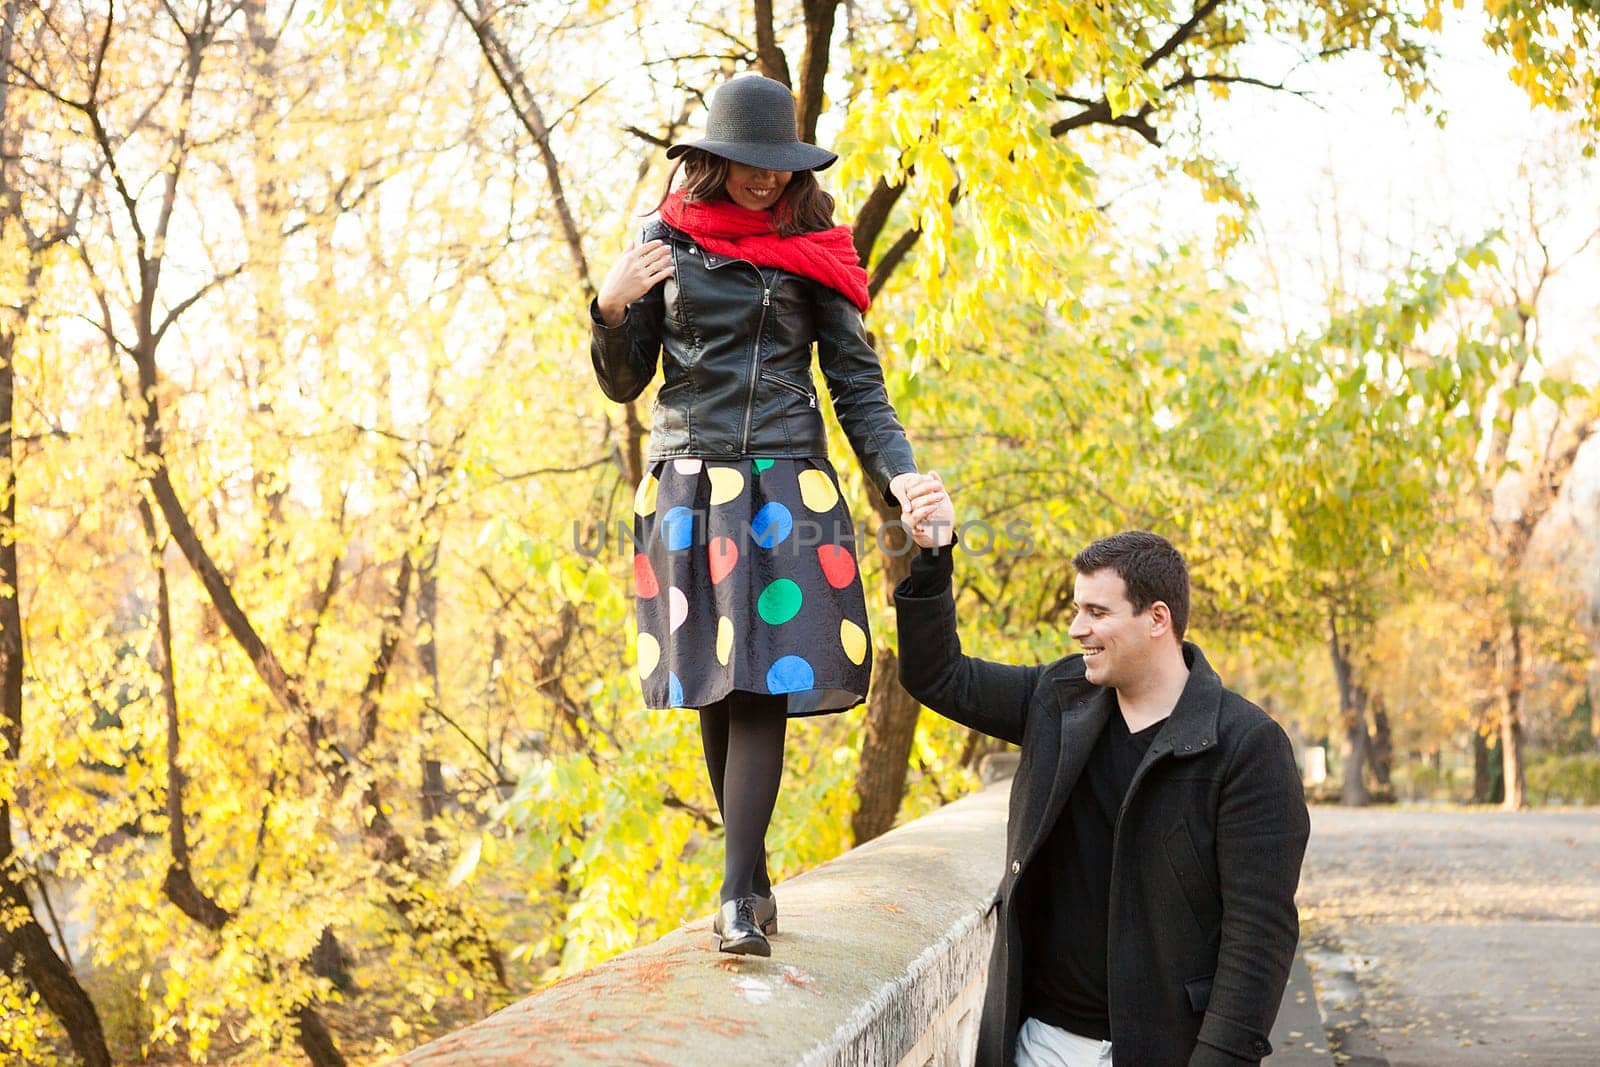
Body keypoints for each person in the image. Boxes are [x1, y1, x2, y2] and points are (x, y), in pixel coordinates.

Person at [589, 73, 937, 957]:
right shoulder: (660, 237)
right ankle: (751, 875)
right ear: (713, 158)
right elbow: (627, 380)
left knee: (761, 678)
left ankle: (738, 892)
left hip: (784, 481)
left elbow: (856, 383)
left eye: (777, 166)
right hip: (688, 481)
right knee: (716, 679)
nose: (763, 181)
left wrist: (898, 475)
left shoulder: (817, 242)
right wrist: (610, 304)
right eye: (747, 165)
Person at [892, 476, 1310, 1066]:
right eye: (1075, 609)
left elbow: (1259, 935)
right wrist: (934, 551)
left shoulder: (1247, 747)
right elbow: (938, 676)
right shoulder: (1057, 698)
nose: (1075, 628)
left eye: (1096, 611)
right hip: (1038, 1042)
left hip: (1163, 1049)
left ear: (1157, 618)